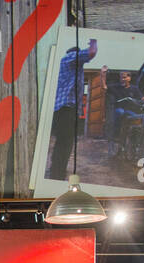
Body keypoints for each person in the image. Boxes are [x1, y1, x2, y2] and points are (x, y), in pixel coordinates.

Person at [46, 38, 98, 181]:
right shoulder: (70, 59)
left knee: (62, 143)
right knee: (64, 144)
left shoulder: (67, 66)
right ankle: (57, 175)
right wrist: (93, 41)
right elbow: (92, 52)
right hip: (66, 110)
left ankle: (56, 172)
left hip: (64, 110)